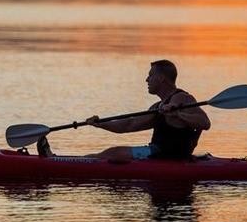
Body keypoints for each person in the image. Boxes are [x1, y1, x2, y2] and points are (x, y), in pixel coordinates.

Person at [36, 59, 210, 163]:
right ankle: (58, 159)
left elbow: (205, 123)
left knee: (112, 154)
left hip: (169, 157)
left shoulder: (182, 99)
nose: (146, 79)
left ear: (161, 78)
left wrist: (178, 114)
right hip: (157, 153)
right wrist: (100, 124)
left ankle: (58, 161)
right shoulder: (157, 108)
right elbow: (129, 125)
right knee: (109, 153)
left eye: (150, 75)